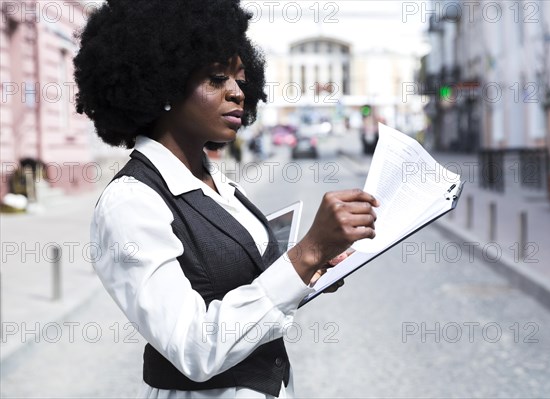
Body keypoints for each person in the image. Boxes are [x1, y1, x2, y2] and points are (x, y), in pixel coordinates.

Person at [74, 1, 379, 398]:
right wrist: (306, 253)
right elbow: (193, 347)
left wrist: (311, 270)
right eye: (218, 79)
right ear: (164, 84)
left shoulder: (218, 183)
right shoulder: (131, 203)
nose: (238, 92)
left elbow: (248, 287)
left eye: (240, 79)